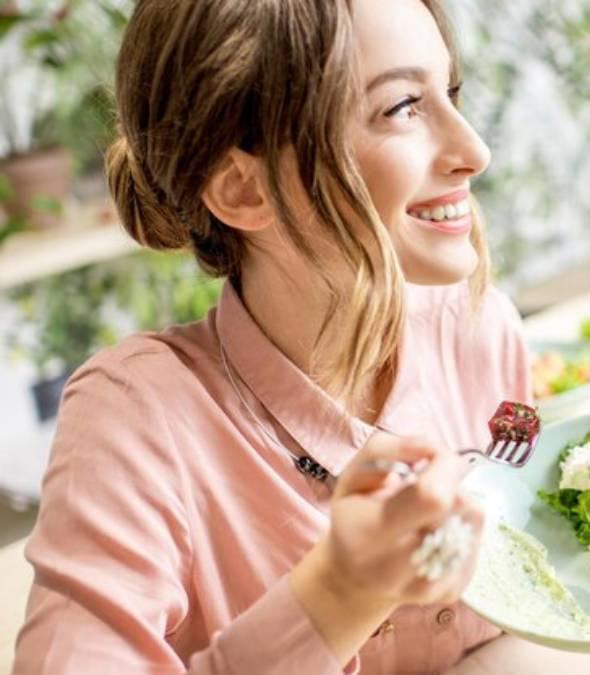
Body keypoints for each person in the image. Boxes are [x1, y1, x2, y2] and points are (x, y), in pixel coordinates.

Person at [13, 1, 530, 673]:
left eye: (449, 93)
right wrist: (340, 593)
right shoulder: (136, 419)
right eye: (402, 106)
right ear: (242, 189)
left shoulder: (482, 329)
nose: (475, 151)